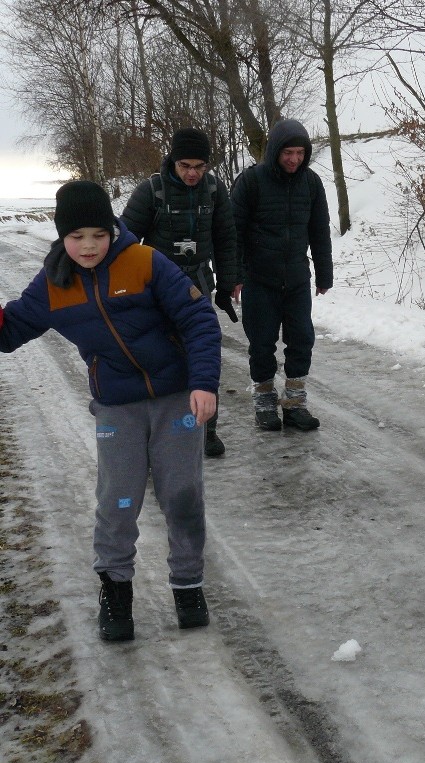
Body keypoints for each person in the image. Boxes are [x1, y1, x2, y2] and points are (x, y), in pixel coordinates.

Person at [0, 180, 222, 641]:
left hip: (175, 398)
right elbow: (11, 330)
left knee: (182, 495)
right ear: (62, 236)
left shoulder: (143, 261)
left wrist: (203, 382)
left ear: (112, 230)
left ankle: (188, 585)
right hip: (117, 406)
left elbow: (198, 318)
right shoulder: (52, 285)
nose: (88, 246)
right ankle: (116, 590)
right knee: (118, 501)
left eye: (98, 235)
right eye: (77, 236)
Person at [121, 127, 239, 458]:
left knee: (203, 353)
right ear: (173, 160)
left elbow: (226, 238)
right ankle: (155, 433)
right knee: (158, 358)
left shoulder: (214, 190)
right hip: (158, 289)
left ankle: (206, 430)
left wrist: (227, 284)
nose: (192, 173)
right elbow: (124, 241)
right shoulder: (151, 191)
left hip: (198, 285)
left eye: (199, 166)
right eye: (185, 165)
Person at [231, 118, 332, 431]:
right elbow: (234, 232)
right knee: (262, 343)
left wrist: (324, 273)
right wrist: (234, 275)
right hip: (259, 278)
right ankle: (264, 401)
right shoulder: (251, 182)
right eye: (288, 153)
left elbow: (319, 231)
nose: (294, 159)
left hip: (297, 278)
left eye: (300, 153)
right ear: (275, 151)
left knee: (301, 340)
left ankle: (294, 403)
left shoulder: (311, 183)